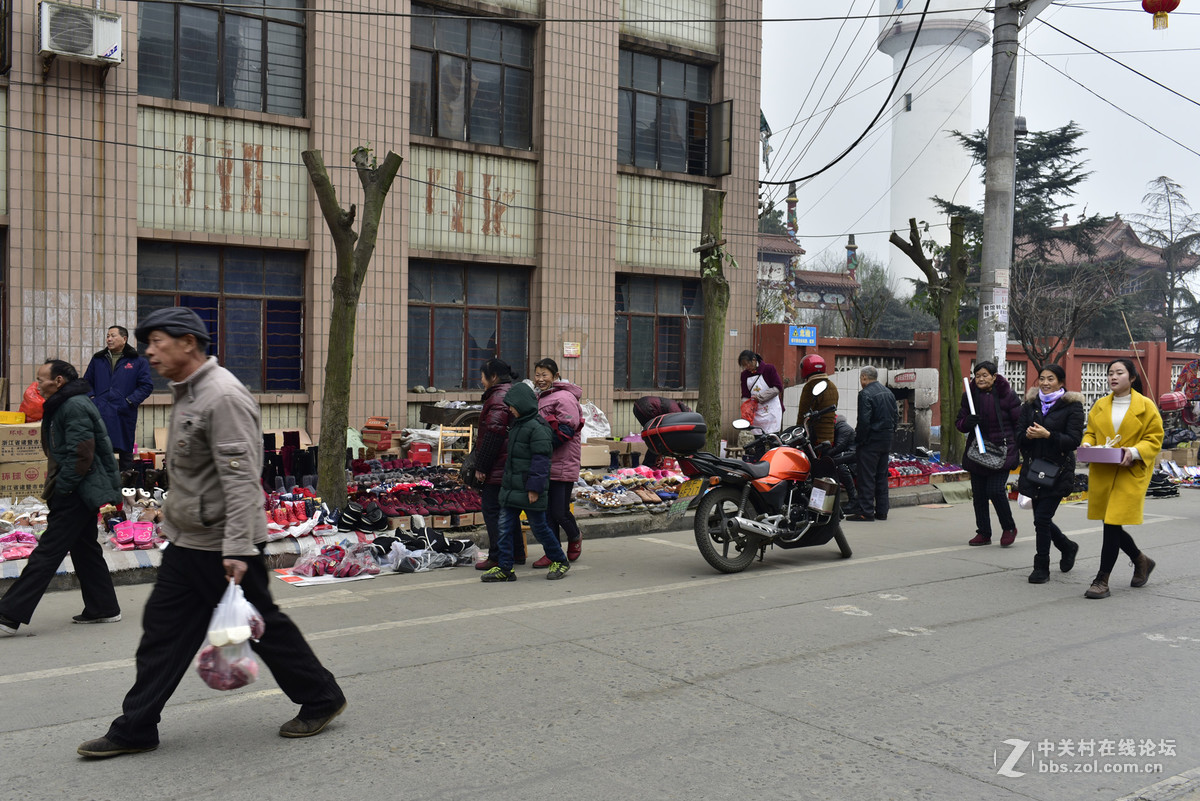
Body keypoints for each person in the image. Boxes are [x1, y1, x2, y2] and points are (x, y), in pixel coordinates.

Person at [78, 307, 345, 759]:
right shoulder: (189, 391)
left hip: (223, 542)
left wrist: (238, 548)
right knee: (163, 632)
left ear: (188, 343)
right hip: (190, 540)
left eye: (157, 342)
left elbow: (240, 479)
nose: (149, 352)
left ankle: (321, 697)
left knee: (261, 627)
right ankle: (136, 727)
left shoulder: (222, 396)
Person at [0, 360, 123, 637]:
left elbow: (81, 454)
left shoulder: (74, 405)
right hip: (78, 487)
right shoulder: (64, 403)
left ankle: (8, 614)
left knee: (48, 551)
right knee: (84, 548)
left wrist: (63, 488)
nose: (37, 385)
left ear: (58, 381)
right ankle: (104, 608)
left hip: (77, 490)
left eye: (41, 379)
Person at [1079, 358, 1163, 599]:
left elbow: (1155, 437)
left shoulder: (1146, 406)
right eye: (1110, 373)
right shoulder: (1100, 405)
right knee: (1110, 522)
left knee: (1112, 523)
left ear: (1132, 377)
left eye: (1119, 372)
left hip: (1130, 471)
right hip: (1104, 470)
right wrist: (1087, 444)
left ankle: (1102, 580)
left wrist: (1134, 452)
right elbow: (1091, 432)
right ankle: (1141, 560)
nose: (1113, 377)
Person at [481, 382, 570, 582]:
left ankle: (559, 559)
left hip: (529, 490)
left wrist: (535, 488)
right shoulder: (517, 425)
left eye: (512, 406)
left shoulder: (538, 428)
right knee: (504, 527)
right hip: (511, 488)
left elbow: (541, 460)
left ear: (522, 404)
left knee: (540, 528)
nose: (510, 410)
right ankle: (505, 568)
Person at [1015, 364, 1084, 584]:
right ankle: (1067, 546)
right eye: (1042, 378)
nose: (1045, 383)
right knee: (1040, 519)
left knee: (1042, 518)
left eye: (1051, 379)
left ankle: (1041, 567)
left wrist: (1048, 435)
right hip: (1034, 469)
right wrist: (1027, 436)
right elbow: (1018, 435)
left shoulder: (1072, 406)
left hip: (1058, 471)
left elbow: (1074, 440)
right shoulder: (1030, 404)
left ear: (1061, 382)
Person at [956, 361, 1021, 546]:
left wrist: (1020, 447)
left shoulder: (1007, 395)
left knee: (995, 490)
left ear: (994, 377)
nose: (981, 379)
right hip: (978, 452)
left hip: (1002, 452)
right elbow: (959, 423)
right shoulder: (969, 396)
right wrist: (967, 422)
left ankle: (1009, 527)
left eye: (985, 375)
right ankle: (984, 532)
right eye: (977, 376)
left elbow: (1019, 423)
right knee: (979, 495)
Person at [472, 359, 527, 571]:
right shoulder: (509, 392)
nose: (481, 380)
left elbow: (494, 434)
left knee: (492, 510)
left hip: (499, 465)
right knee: (509, 509)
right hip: (509, 462)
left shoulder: (498, 397)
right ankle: (517, 552)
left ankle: (498, 556)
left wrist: (482, 466)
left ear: (493, 377)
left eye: (482, 376)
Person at [532, 358, 584, 564]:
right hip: (545, 463)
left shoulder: (564, 397)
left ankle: (575, 536)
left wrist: (542, 445)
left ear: (555, 376)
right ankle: (553, 552)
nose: (540, 379)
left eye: (544, 375)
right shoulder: (541, 397)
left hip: (563, 462)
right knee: (547, 513)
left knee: (559, 511)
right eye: (537, 374)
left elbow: (567, 429)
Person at [84, 325, 154, 472]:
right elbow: (86, 382)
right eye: (107, 336)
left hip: (123, 412)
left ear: (124, 339)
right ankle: (102, 482)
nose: (109, 339)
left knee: (125, 452)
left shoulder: (137, 361)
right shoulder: (98, 359)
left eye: (113, 336)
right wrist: (92, 399)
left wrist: (129, 401)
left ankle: (126, 481)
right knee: (99, 450)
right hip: (100, 411)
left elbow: (146, 386)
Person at [846, 366, 898, 522]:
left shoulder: (865, 394)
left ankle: (866, 511)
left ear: (864, 377)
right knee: (881, 476)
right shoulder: (888, 392)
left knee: (866, 477)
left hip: (871, 441)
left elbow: (864, 421)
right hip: (886, 439)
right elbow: (895, 417)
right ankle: (882, 511)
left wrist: (859, 440)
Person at [633, 396, 693, 469]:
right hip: (646, 408)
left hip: (640, 407)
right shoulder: (678, 413)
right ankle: (649, 465)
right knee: (657, 439)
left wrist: (660, 454)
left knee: (656, 439)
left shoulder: (678, 410)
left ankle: (650, 464)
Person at [794, 353, 839, 447]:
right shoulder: (832, 385)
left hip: (815, 437)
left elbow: (803, 414)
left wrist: (797, 431)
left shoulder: (809, 386)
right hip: (830, 436)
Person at [738, 350, 785, 434]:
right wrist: (746, 409)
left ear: (754, 360)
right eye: (744, 366)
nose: (746, 367)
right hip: (756, 412)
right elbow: (745, 395)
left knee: (773, 437)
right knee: (758, 437)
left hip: (771, 410)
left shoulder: (769, 369)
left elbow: (778, 388)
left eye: (747, 364)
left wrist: (760, 397)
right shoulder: (744, 375)